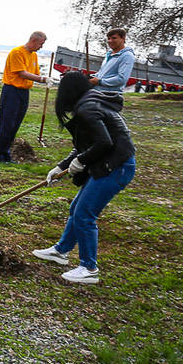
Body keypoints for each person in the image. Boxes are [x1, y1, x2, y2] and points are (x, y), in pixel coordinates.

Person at [32, 71, 135, 284]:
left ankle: (89, 268)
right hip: (110, 163)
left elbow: (103, 143)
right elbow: (85, 145)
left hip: (116, 166)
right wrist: (61, 166)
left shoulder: (87, 108)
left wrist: (81, 161)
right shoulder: (91, 102)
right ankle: (61, 251)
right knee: (76, 209)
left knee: (84, 214)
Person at [0, 31, 50, 162]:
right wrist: (43, 79)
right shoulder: (17, 52)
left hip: (24, 92)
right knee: (7, 123)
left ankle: (6, 153)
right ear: (34, 40)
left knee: (16, 123)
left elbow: (33, 73)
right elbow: (21, 73)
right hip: (12, 90)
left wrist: (42, 79)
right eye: (41, 43)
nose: (41, 47)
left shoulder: (33, 56)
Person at [89, 28, 135, 93]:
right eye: (108, 38)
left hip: (109, 94)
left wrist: (99, 82)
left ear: (123, 38)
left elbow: (122, 79)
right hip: (96, 90)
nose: (110, 41)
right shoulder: (109, 54)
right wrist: (92, 77)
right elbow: (102, 74)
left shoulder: (127, 56)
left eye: (114, 38)